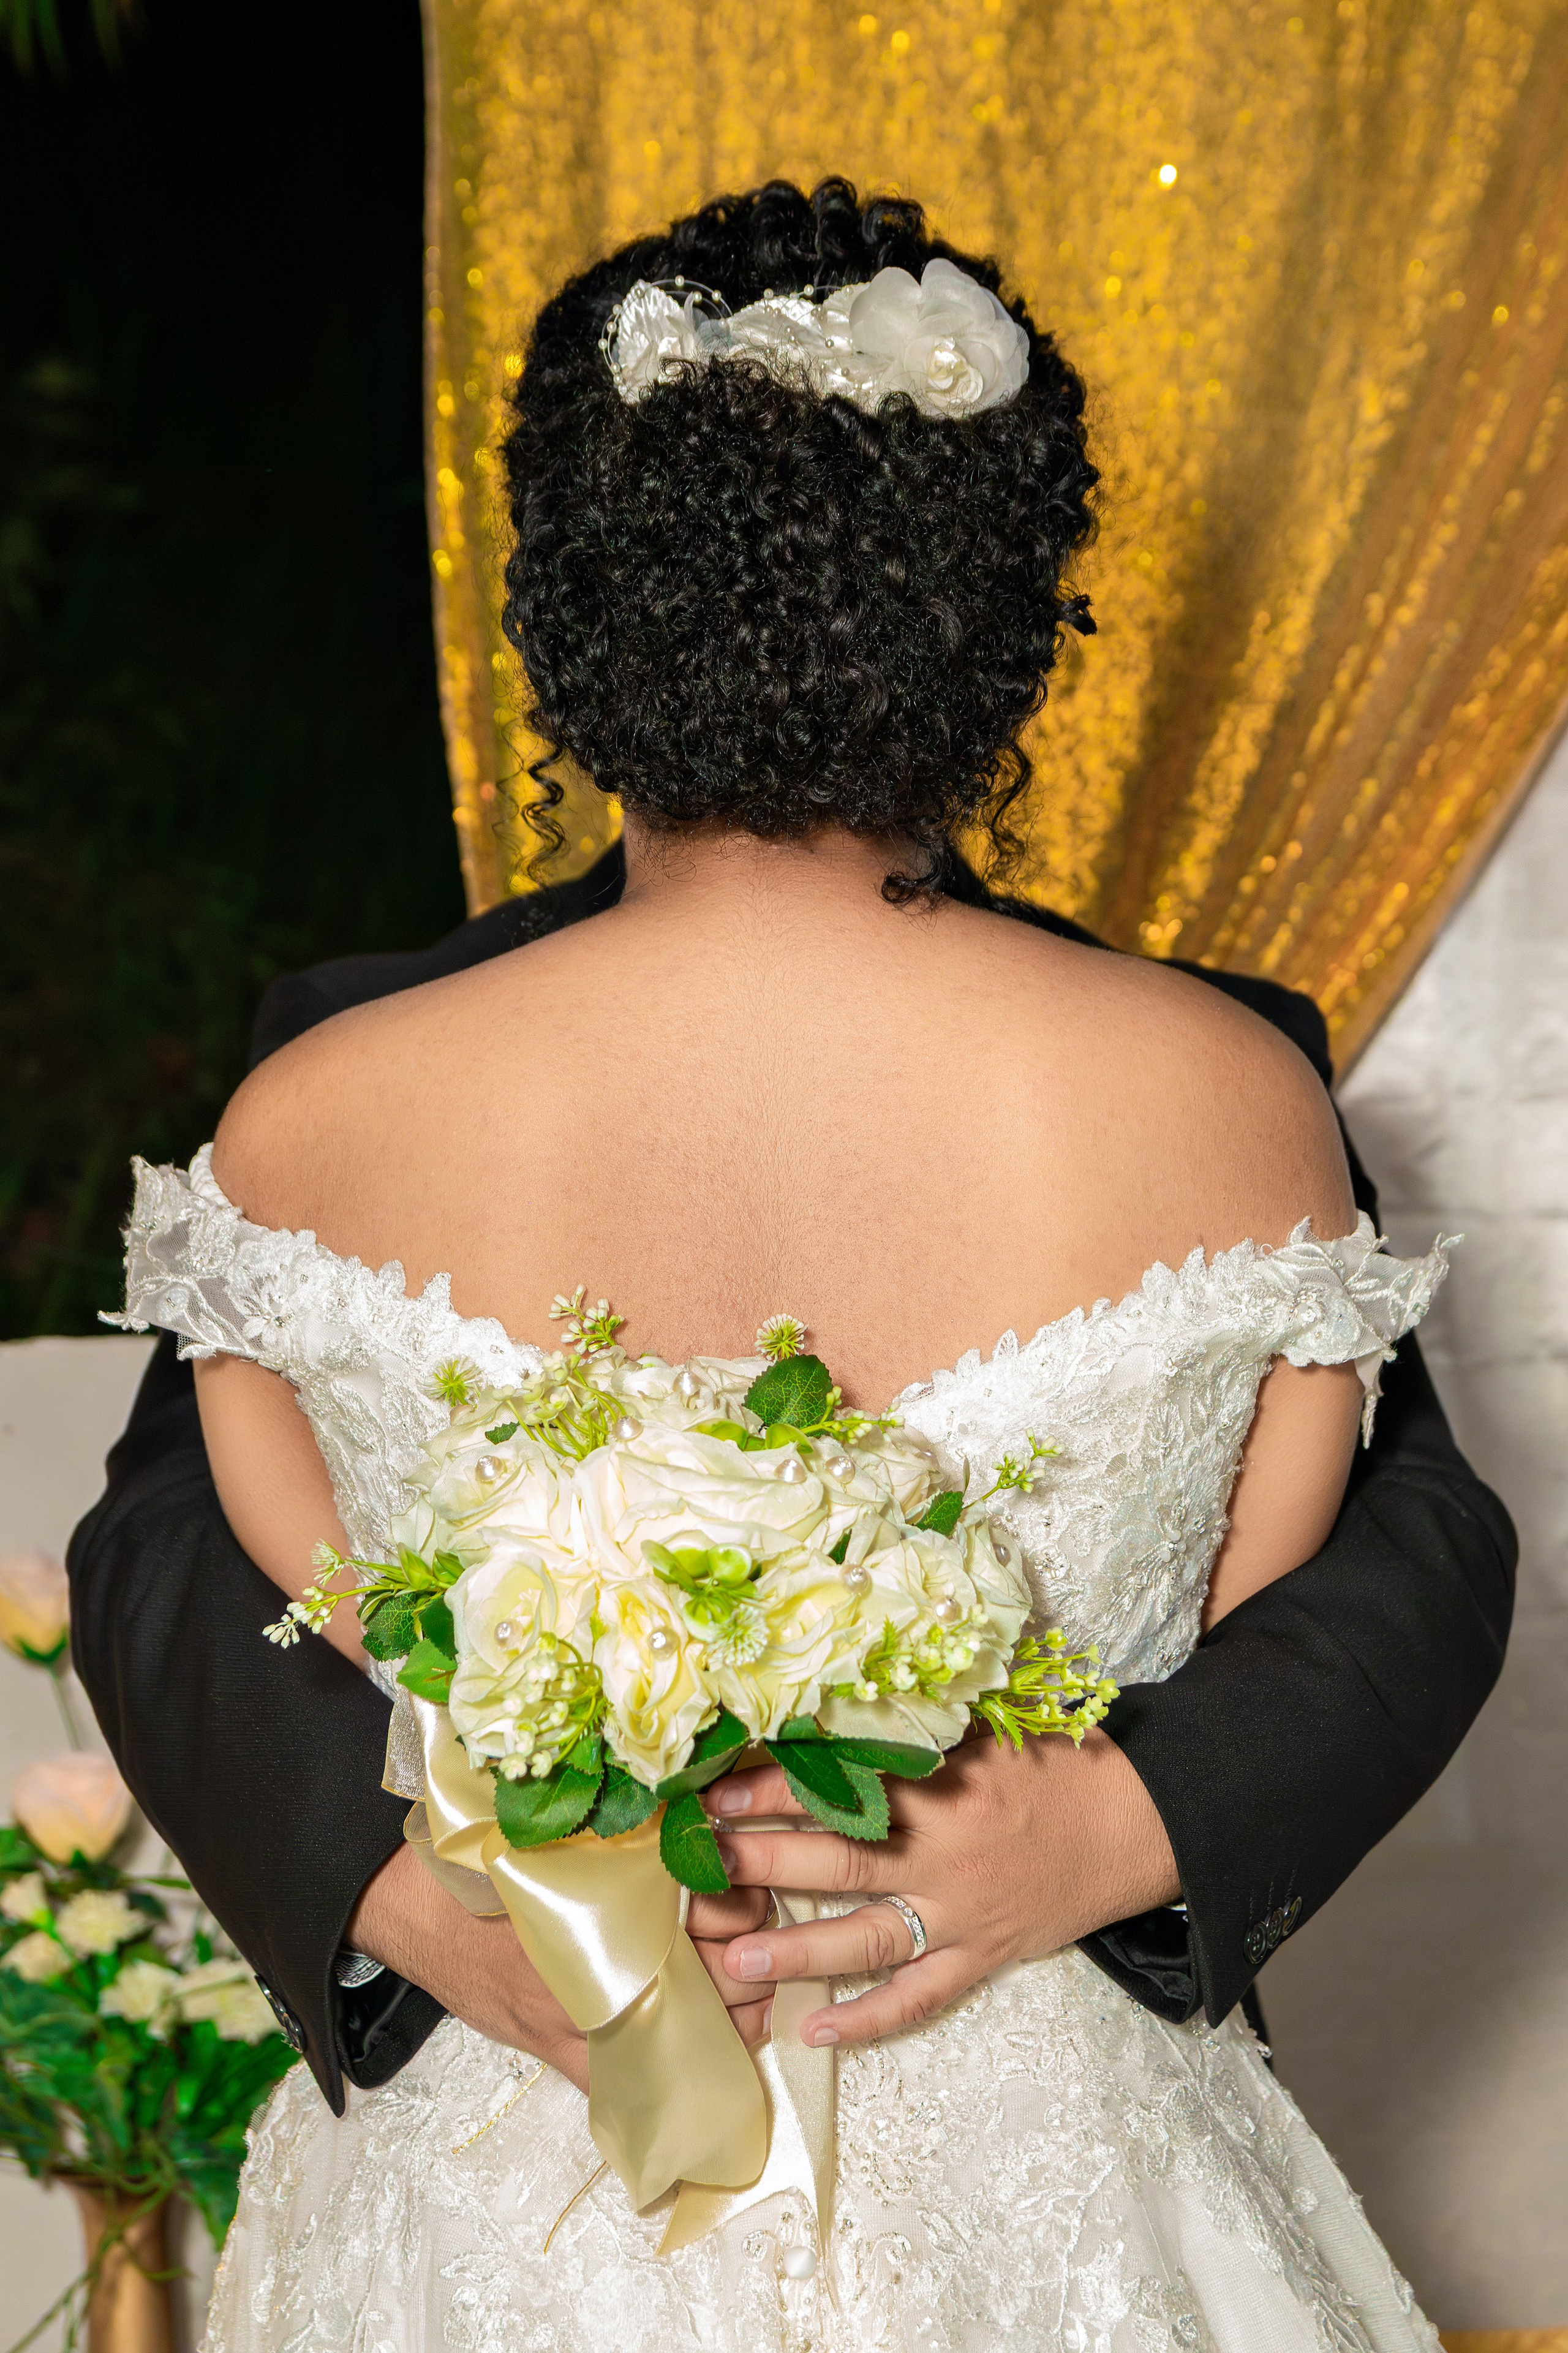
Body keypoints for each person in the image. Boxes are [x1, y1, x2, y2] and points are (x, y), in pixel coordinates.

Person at [73, 181, 1513, 2351]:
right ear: (1003, 615)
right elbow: (1262, 1562)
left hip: (513, 2186)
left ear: (562, 600)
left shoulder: (318, 1116)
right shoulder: (1226, 1101)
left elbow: (277, 1538)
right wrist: (384, 1902)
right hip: (1056, 2175)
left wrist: (1128, 1824)